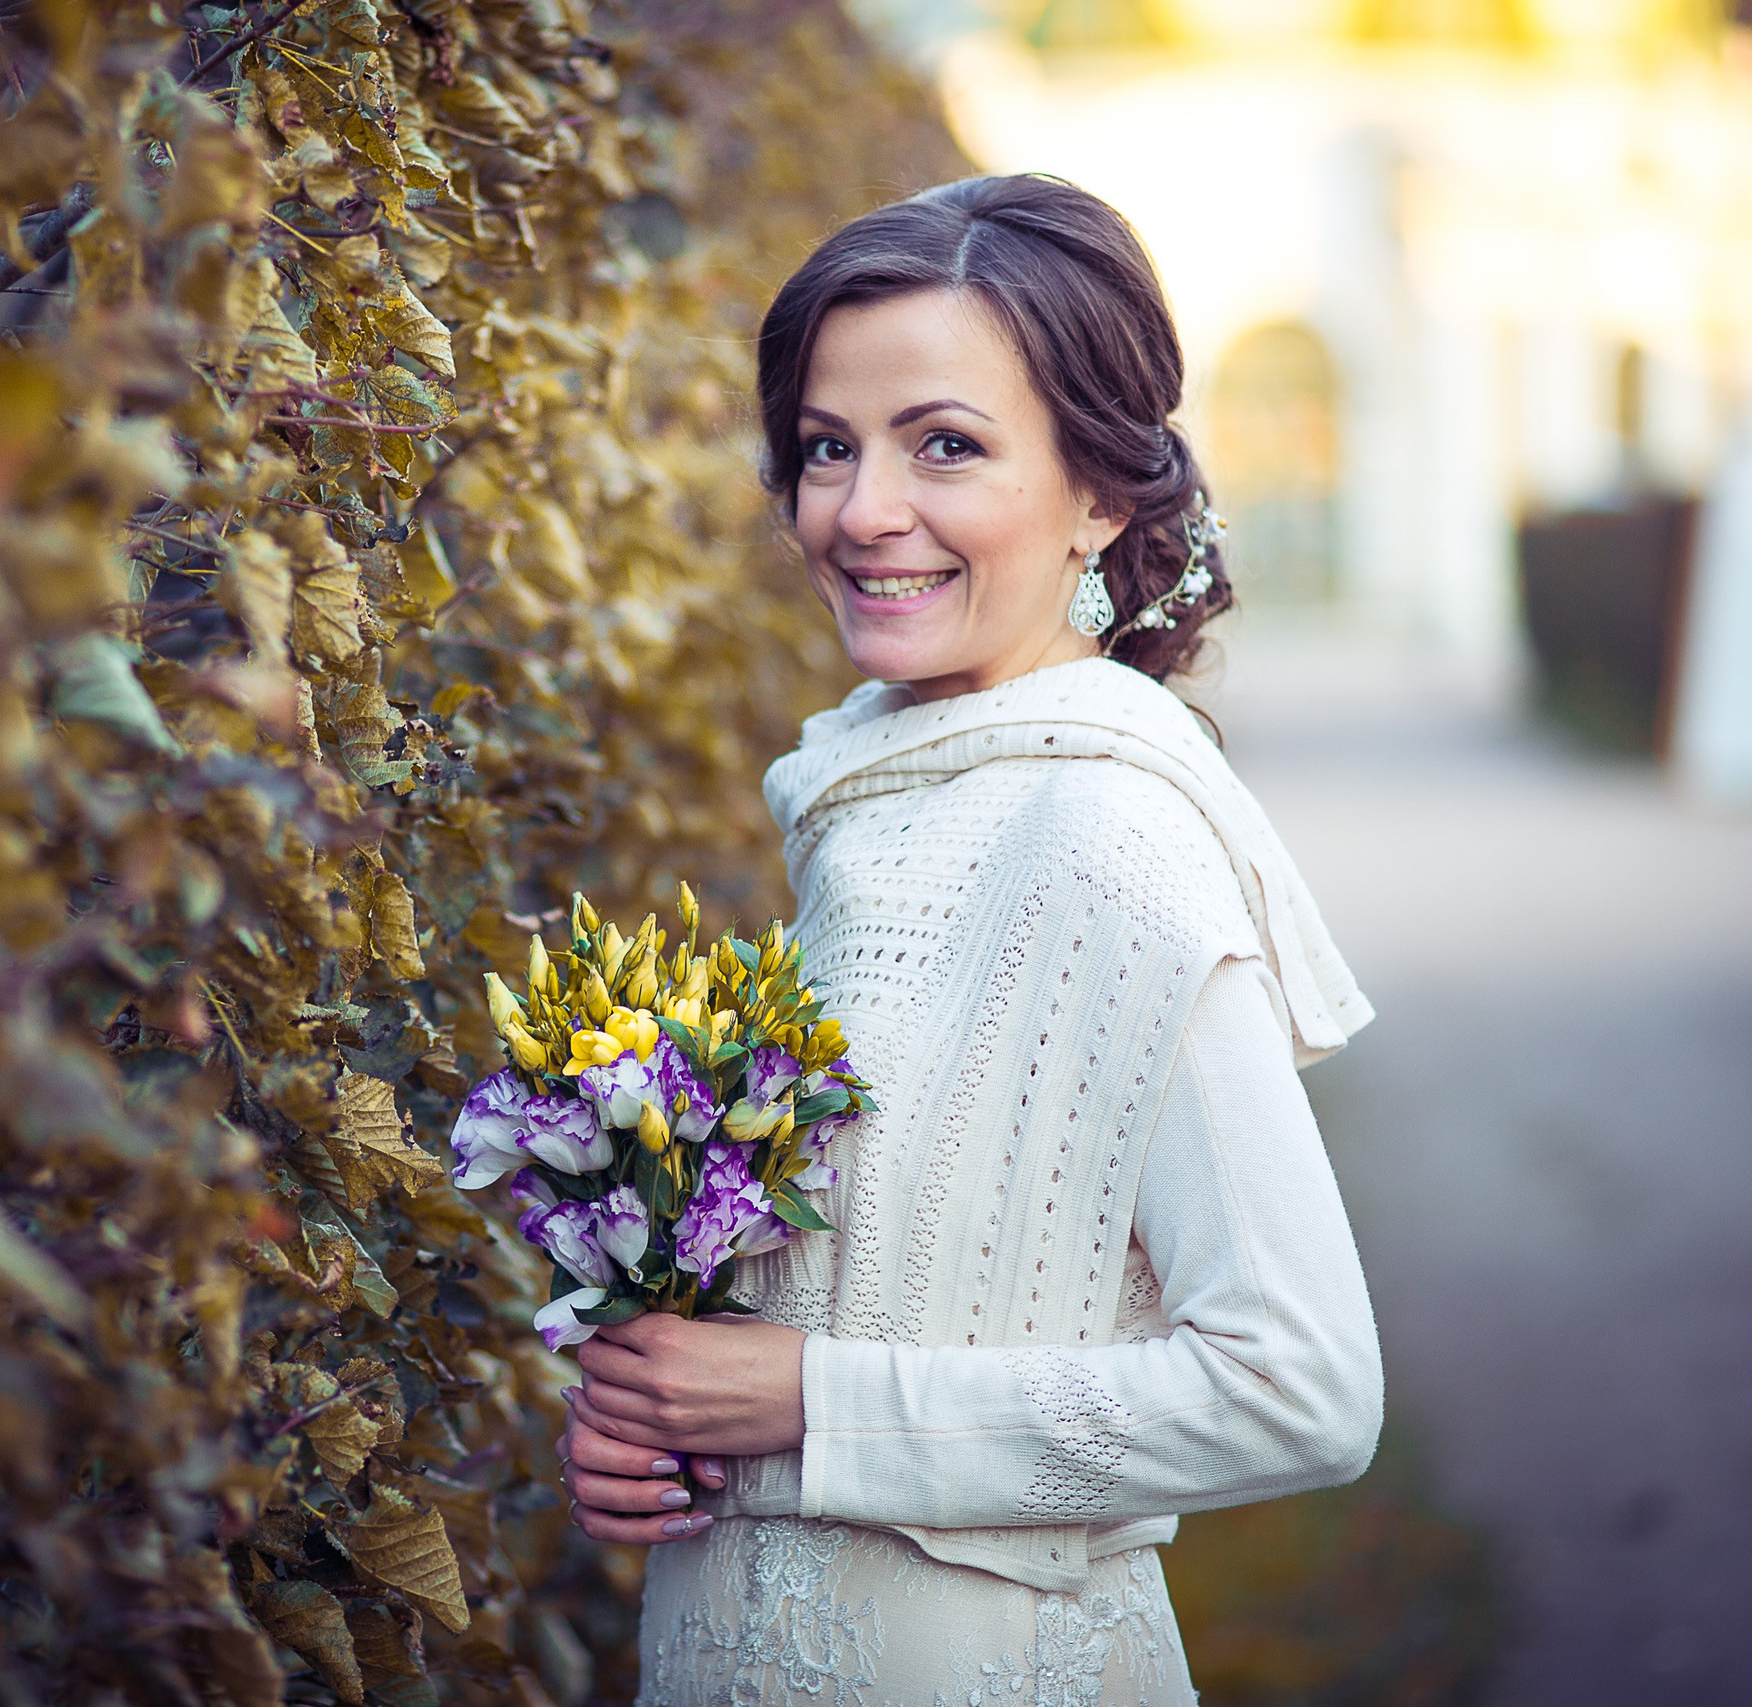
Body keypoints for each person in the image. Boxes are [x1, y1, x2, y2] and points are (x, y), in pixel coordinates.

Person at [554, 174, 1386, 1706]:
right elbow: (883, 1288)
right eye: (826, 447)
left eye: (945, 444)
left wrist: (809, 1404)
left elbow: (1302, 1389)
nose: (861, 510)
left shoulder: (1101, 834)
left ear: (1101, 490)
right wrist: (664, 1426)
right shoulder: (874, 799)